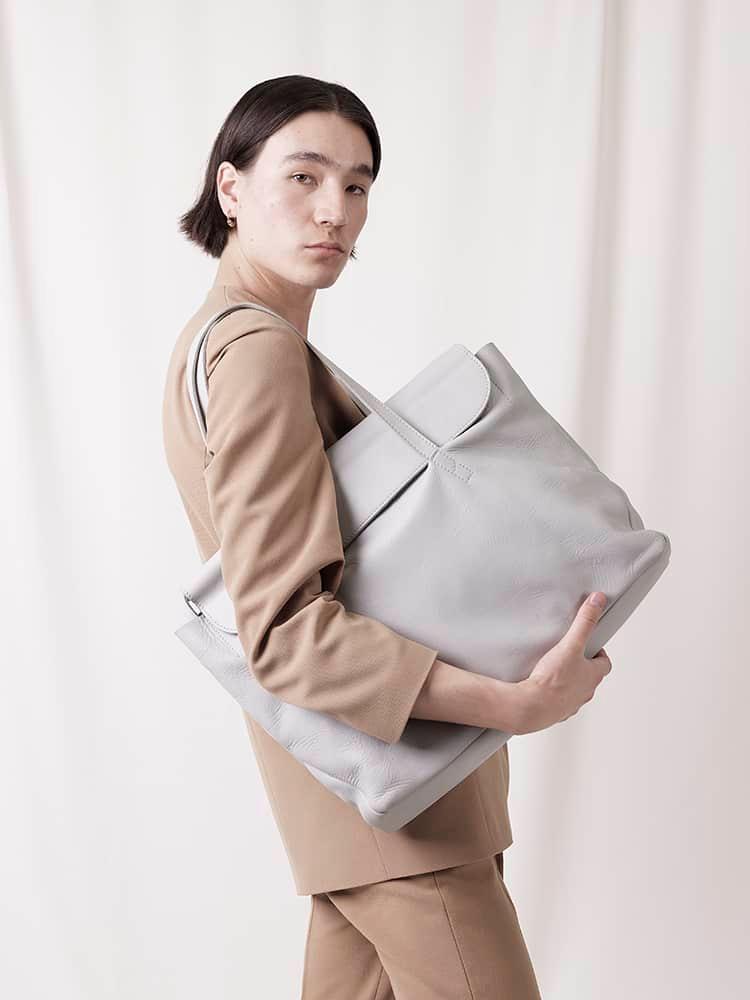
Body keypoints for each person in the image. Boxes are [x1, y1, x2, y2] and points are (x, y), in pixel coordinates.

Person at [161, 74, 612, 1000]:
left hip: (376, 801)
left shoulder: (225, 342)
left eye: (358, 185)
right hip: (396, 811)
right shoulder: (256, 354)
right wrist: (510, 702)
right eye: (305, 176)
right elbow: (285, 628)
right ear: (231, 188)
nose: (335, 210)